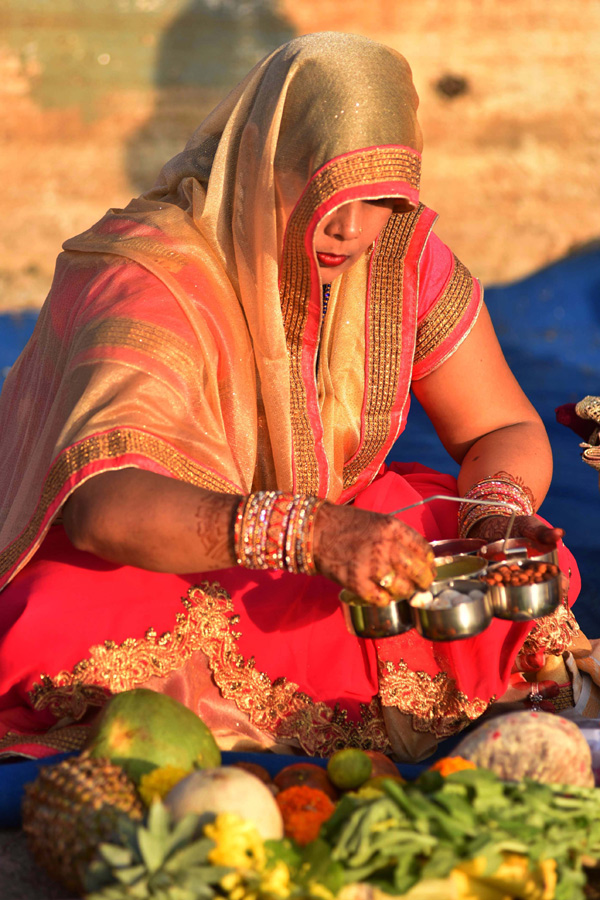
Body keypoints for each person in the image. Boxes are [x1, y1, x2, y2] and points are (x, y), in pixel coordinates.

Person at [0, 33, 586, 763]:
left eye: (377, 200)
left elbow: (498, 423)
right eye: (317, 185)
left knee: (528, 568)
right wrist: (310, 536)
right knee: (59, 619)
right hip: (167, 550)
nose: (348, 226)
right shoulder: (151, 274)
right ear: (258, 161)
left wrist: (496, 509)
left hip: (339, 546)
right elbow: (103, 509)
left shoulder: (399, 261)